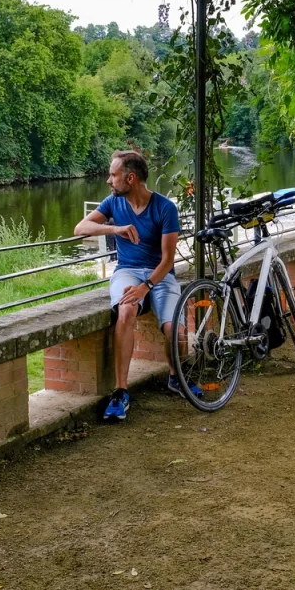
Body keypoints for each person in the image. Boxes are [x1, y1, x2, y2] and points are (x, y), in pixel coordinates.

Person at [74, 150, 201, 421]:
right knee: (127, 310)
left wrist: (146, 286)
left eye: (113, 175)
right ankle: (121, 391)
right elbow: (80, 228)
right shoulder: (113, 203)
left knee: (175, 329)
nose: (109, 180)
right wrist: (114, 229)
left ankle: (176, 377)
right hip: (127, 271)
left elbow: (168, 260)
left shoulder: (165, 208)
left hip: (159, 274)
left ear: (130, 178)